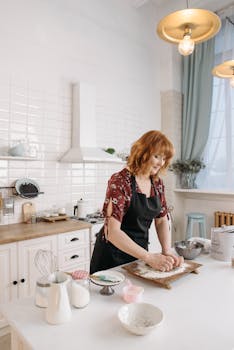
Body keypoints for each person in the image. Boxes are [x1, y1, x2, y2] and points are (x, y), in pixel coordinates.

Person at [90, 130, 183, 274]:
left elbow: (161, 220)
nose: (161, 163)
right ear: (142, 153)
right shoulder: (121, 181)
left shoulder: (157, 184)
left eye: (164, 158)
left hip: (139, 255)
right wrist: (149, 257)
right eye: (157, 156)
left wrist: (166, 251)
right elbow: (113, 233)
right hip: (113, 257)